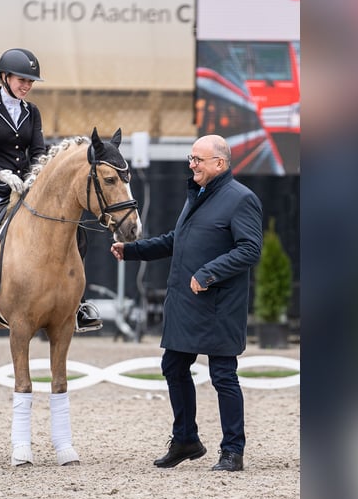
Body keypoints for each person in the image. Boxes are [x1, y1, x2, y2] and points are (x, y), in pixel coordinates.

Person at [111, 134, 262, 471]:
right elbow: (176, 241)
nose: (191, 164)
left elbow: (250, 249)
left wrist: (209, 272)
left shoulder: (241, 199)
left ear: (219, 164)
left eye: (197, 159)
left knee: (223, 375)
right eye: (191, 159)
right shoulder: (199, 195)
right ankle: (185, 440)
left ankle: (233, 451)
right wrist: (133, 250)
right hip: (186, 303)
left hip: (219, 304)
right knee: (174, 367)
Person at [0, 48, 102, 335]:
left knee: (75, 232)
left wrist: (36, 178)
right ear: (5, 77)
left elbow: (39, 152)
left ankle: (77, 304)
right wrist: (0, 172)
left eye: (31, 82)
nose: (27, 86)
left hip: (27, 189)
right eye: (22, 80)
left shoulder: (32, 112)